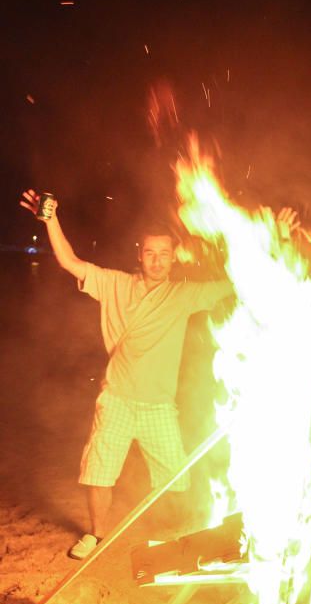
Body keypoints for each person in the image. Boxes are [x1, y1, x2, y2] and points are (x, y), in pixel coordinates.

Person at [20, 189, 233, 559]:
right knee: (97, 472)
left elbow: (234, 284)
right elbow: (70, 261)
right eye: (150, 253)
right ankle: (96, 535)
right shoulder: (115, 284)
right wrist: (49, 219)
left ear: (173, 258)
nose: (157, 260)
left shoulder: (185, 295)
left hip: (158, 407)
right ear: (140, 254)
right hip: (117, 398)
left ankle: (174, 536)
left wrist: (278, 241)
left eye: (164, 254)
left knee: (177, 479)